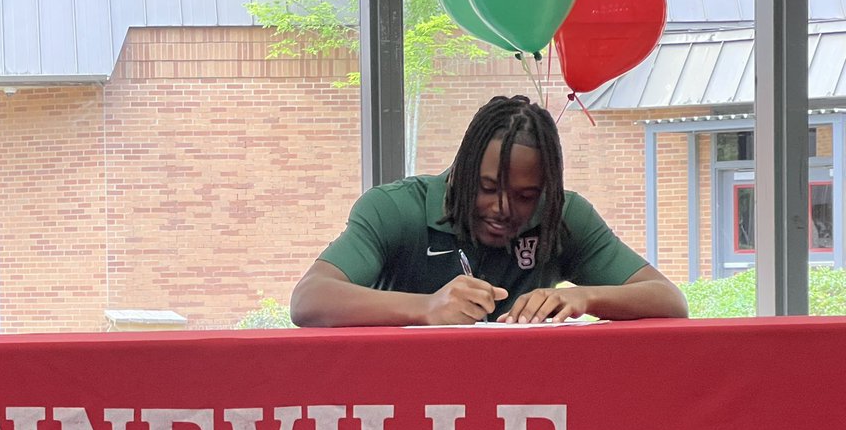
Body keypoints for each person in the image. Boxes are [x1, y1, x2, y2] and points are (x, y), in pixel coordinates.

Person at [290, 94, 688, 327]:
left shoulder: (564, 217)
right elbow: (309, 299)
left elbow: (669, 301)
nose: (502, 209)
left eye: (525, 196)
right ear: (460, 172)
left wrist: (585, 298)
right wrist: (427, 308)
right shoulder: (394, 209)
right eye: (487, 188)